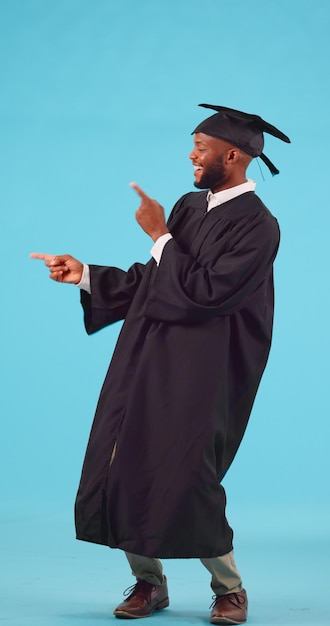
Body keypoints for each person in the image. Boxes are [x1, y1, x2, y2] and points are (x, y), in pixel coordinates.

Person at [31, 104, 290, 625]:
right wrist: (85, 275)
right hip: (147, 355)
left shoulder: (260, 227)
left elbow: (206, 293)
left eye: (201, 146)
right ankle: (150, 584)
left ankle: (229, 589)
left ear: (233, 154)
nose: (191, 155)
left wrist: (159, 235)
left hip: (202, 369)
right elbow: (155, 280)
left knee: (191, 473)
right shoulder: (191, 207)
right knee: (125, 459)